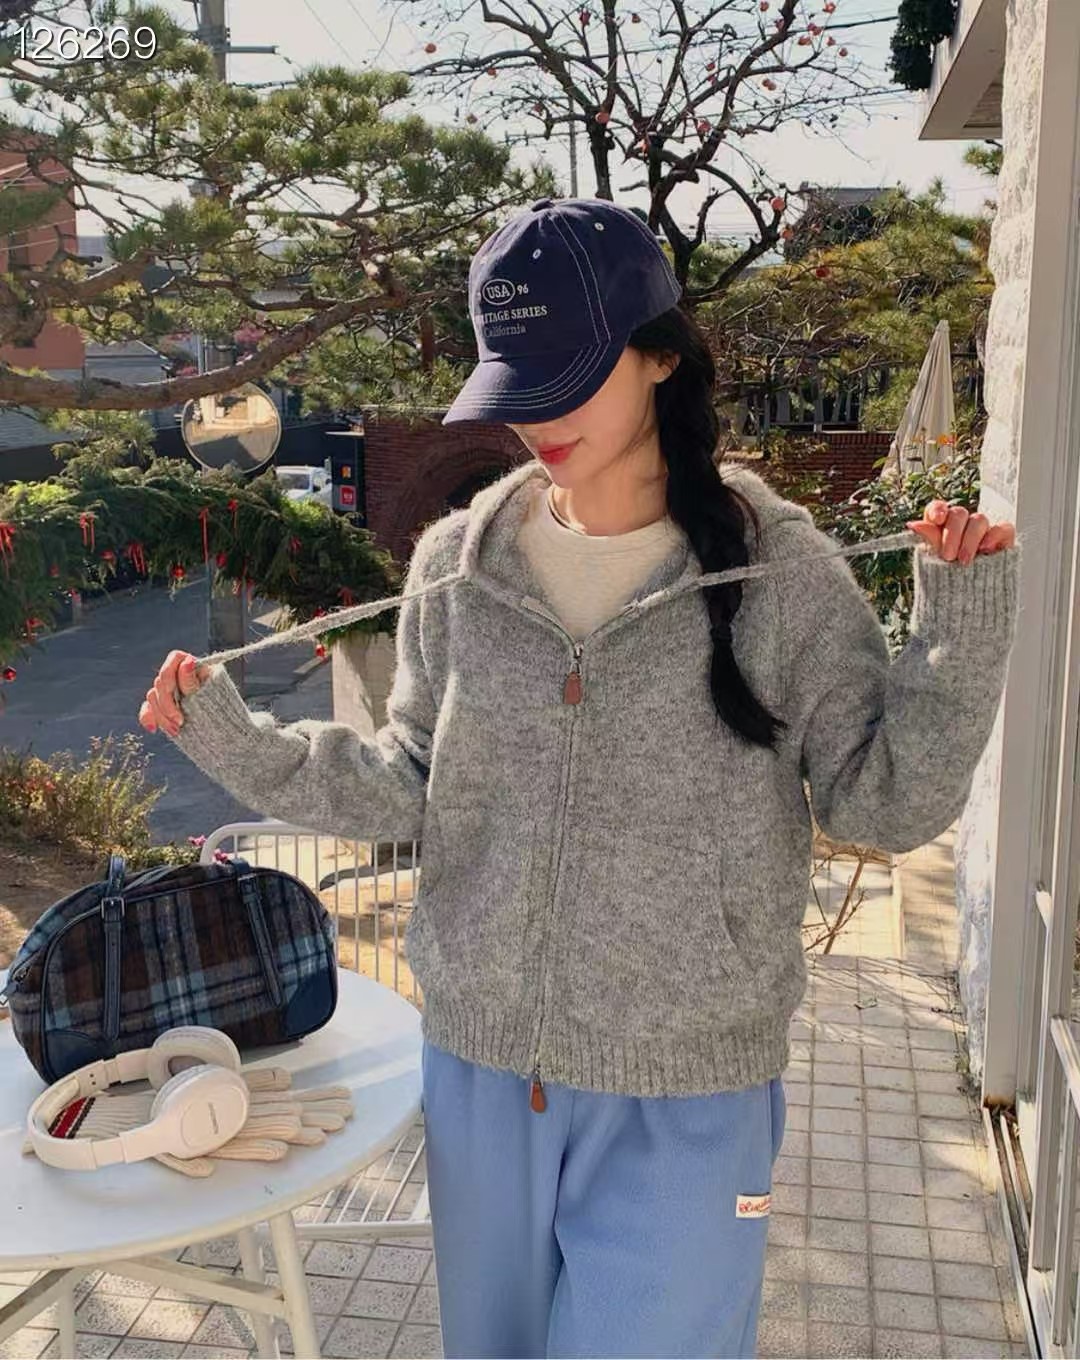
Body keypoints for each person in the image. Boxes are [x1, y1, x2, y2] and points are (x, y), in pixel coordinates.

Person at [140, 197, 1021, 1359]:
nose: (538, 416)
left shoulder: (785, 576)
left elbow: (884, 802)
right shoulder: (460, 564)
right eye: (518, 382)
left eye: (570, 374)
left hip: (687, 1092)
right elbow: (411, 777)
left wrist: (958, 634)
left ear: (660, 355)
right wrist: (237, 740)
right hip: (481, 1072)